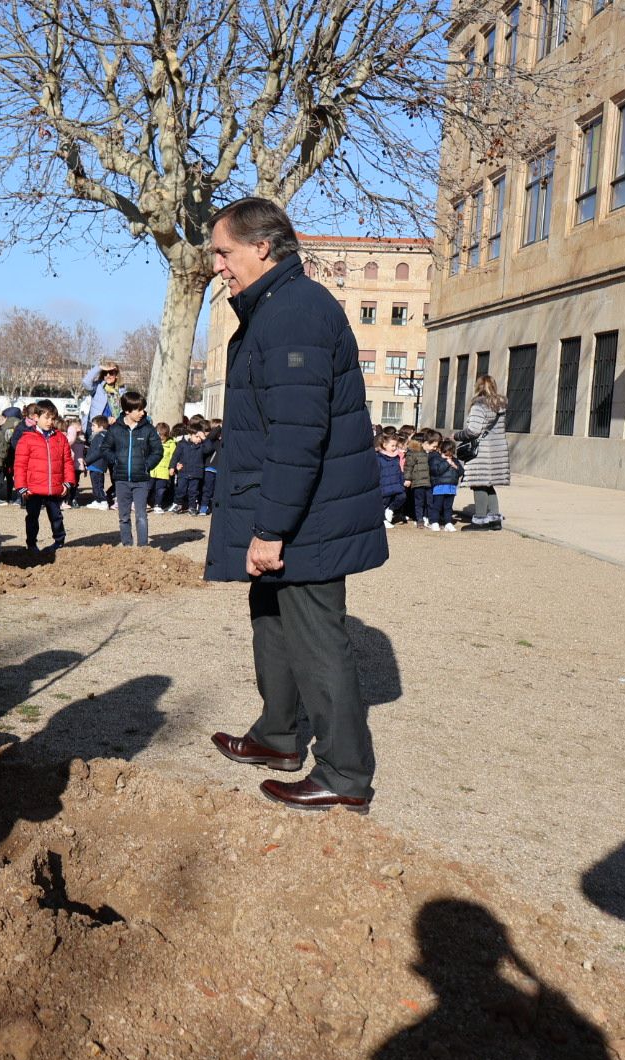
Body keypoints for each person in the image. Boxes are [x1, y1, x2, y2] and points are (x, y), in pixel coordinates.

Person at [202, 197, 387, 813]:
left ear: (262, 246)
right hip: (287, 512)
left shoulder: (297, 313)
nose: (218, 266)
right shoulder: (274, 310)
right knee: (271, 624)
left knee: (315, 637)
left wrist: (273, 530)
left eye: (224, 252)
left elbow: (297, 434)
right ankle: (278, 738)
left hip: (308, 520)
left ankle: (345, 774)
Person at [97, 391, 162, 545]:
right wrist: (116, 461)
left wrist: (147, 465)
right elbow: (105, 448)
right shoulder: (115, 429)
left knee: (141, 515)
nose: (142, 413)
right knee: (124, 516)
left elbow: (158, 451)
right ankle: (127, 545)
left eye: (143, 409)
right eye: (138, 409)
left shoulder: (148, 429)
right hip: (121, 480)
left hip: (141, 480)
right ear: (127, 411)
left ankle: (143, 547)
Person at [13, 402, 76, 556]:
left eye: (53, 418)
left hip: (54, 487)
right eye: (46, 418)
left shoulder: (60, 438)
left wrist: (67, 483)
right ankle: (31, 544)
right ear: (36, 417)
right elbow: (20, 465)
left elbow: (67, 462)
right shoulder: (26, 438)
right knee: (32, 517)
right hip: (33, 489)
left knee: (56, 517)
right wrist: (21, 486)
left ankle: (59, 541)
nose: (50, 422)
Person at [460, 373, 509, 530]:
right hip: (497, 450)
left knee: (479, 483)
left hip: (481, 450)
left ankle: (480, 520)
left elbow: (473, 430)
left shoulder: (479, 405)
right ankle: (495, 519)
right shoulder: (500, 405)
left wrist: (457, 435)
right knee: (489, 484)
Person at [172, 421, 210, 513]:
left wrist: (204, 438)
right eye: (197, 437)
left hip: (196, 473)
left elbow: (209, 448)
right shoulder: (182, 444)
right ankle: (178, 504)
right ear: (190, 435)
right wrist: (172, 467)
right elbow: (175, 456)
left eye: (200, 437)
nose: (199, 439)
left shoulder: (202, 446)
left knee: (193, 492)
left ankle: (192, 507)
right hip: (183, 471)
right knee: (180, 489)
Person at [429, 438, 463, 532]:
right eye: (445, 454)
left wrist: (455, 466)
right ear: (440, 451)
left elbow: (461, 472)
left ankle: (448, 522)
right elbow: (436, 471)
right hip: (439, 487)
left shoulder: (455, 460)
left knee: (448, 507)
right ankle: (434, 522)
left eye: (450, 454)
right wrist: (446, 463)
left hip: (451, 487)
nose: (448, 456)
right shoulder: (436, 459)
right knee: (437, 506)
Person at [80, 361, 125, 431]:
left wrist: (116, 419)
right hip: (97, 427)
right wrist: (99, 367)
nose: (108, 375)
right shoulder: (98, 387)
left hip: (114, 427)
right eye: (105, 373)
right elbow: (86, 382)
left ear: (116, 375)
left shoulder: (121, 391)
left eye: (111, 373)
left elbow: (124, 411)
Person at [375, 431, 407, 529]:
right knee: (383, 504)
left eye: (396, 445)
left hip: (396, 485)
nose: (395, 448)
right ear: (384, 445)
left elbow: (399, 470)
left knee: (402, 496)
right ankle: (383, 520)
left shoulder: (397, 457)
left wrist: (402, 481)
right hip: (384, 486)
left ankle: (391, 509)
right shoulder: (378, 457)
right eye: (392, 445)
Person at [405, 432, 434, 528]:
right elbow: (408, 467)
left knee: (429, 501)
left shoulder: (429, 453)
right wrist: (408, 479)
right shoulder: (413, 453)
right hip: (417, 481)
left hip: (428, 482)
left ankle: (428, 518)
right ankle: (419, 519)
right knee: (419, 502)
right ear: (423, 443)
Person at [148, 421, 178, 511]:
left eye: (162, 437)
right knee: (148, 488)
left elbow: (174, 457)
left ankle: (158, 505)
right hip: (151, 471)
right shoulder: (150, 443)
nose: (160, 439)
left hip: (163, 472)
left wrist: (172, 467)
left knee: (160, 490)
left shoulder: (171, 444)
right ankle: (145, 503)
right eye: (159, 437)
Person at [84, 414, 111, 509]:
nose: (91, 427)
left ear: (101, 427)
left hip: (98, 464)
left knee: (98, 484)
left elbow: (99, 451)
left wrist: (86, 460)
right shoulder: (99, 435)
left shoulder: (101, 436)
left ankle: (103, 501)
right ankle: (98, 500)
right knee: (95, 484)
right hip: (95, 465)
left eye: (94, 425)